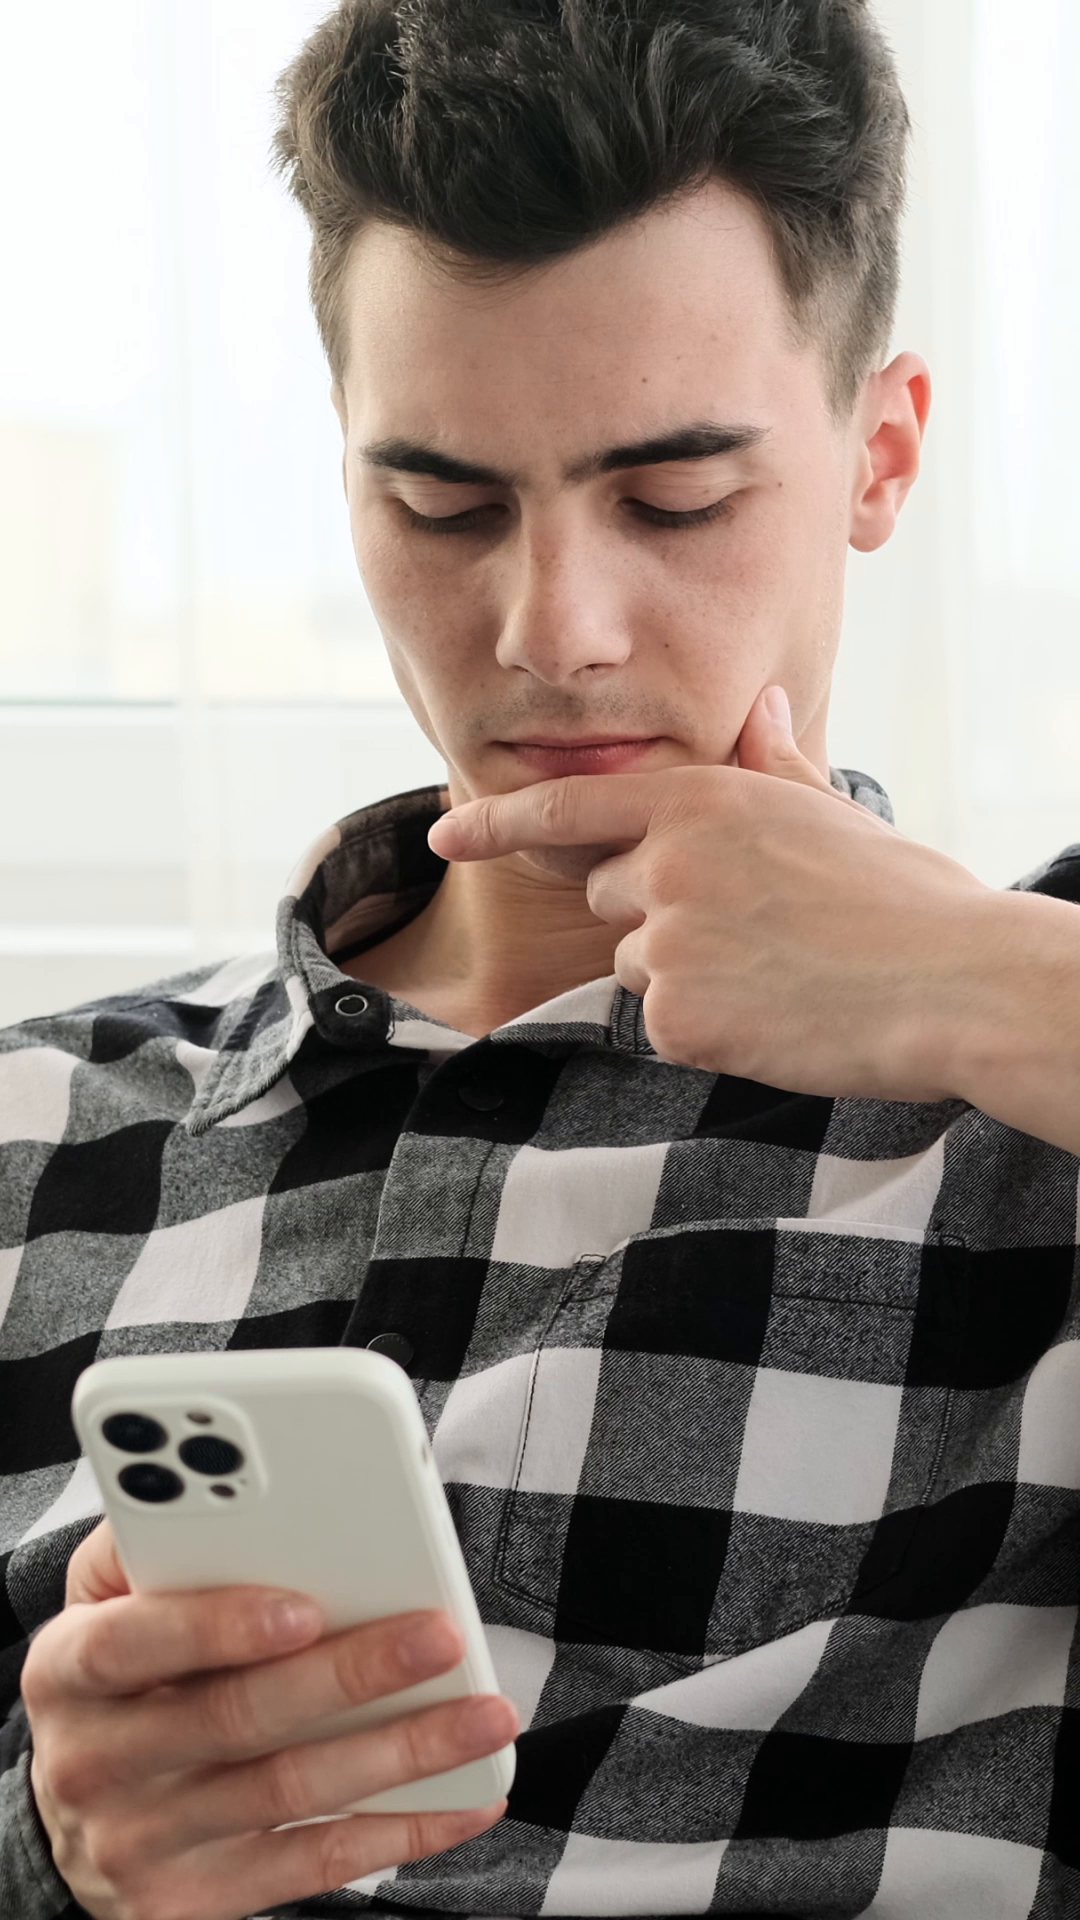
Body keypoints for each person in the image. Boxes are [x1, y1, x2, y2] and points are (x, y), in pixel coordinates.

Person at [1, 0, 1077, 1913]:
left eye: (676, 500)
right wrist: (51, 1858)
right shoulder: (36, 1133)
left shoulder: (1034, 1088)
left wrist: (983, 979)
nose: (550, 631)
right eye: (443, 504)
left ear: (883, 454)